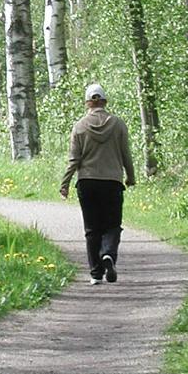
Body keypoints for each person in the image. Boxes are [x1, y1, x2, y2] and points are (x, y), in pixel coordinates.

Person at [59, 83, 136, 285]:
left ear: (87, 104)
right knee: (112, 225)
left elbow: (74, 159)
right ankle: (108, 254)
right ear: (105, 101)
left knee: (92, 229)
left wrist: (65, 183)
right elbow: (125, 154)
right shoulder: (118, 124)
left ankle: (95, 274)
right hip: (112, 182)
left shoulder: (80, 127)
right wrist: (131, 176)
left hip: (87, 182)